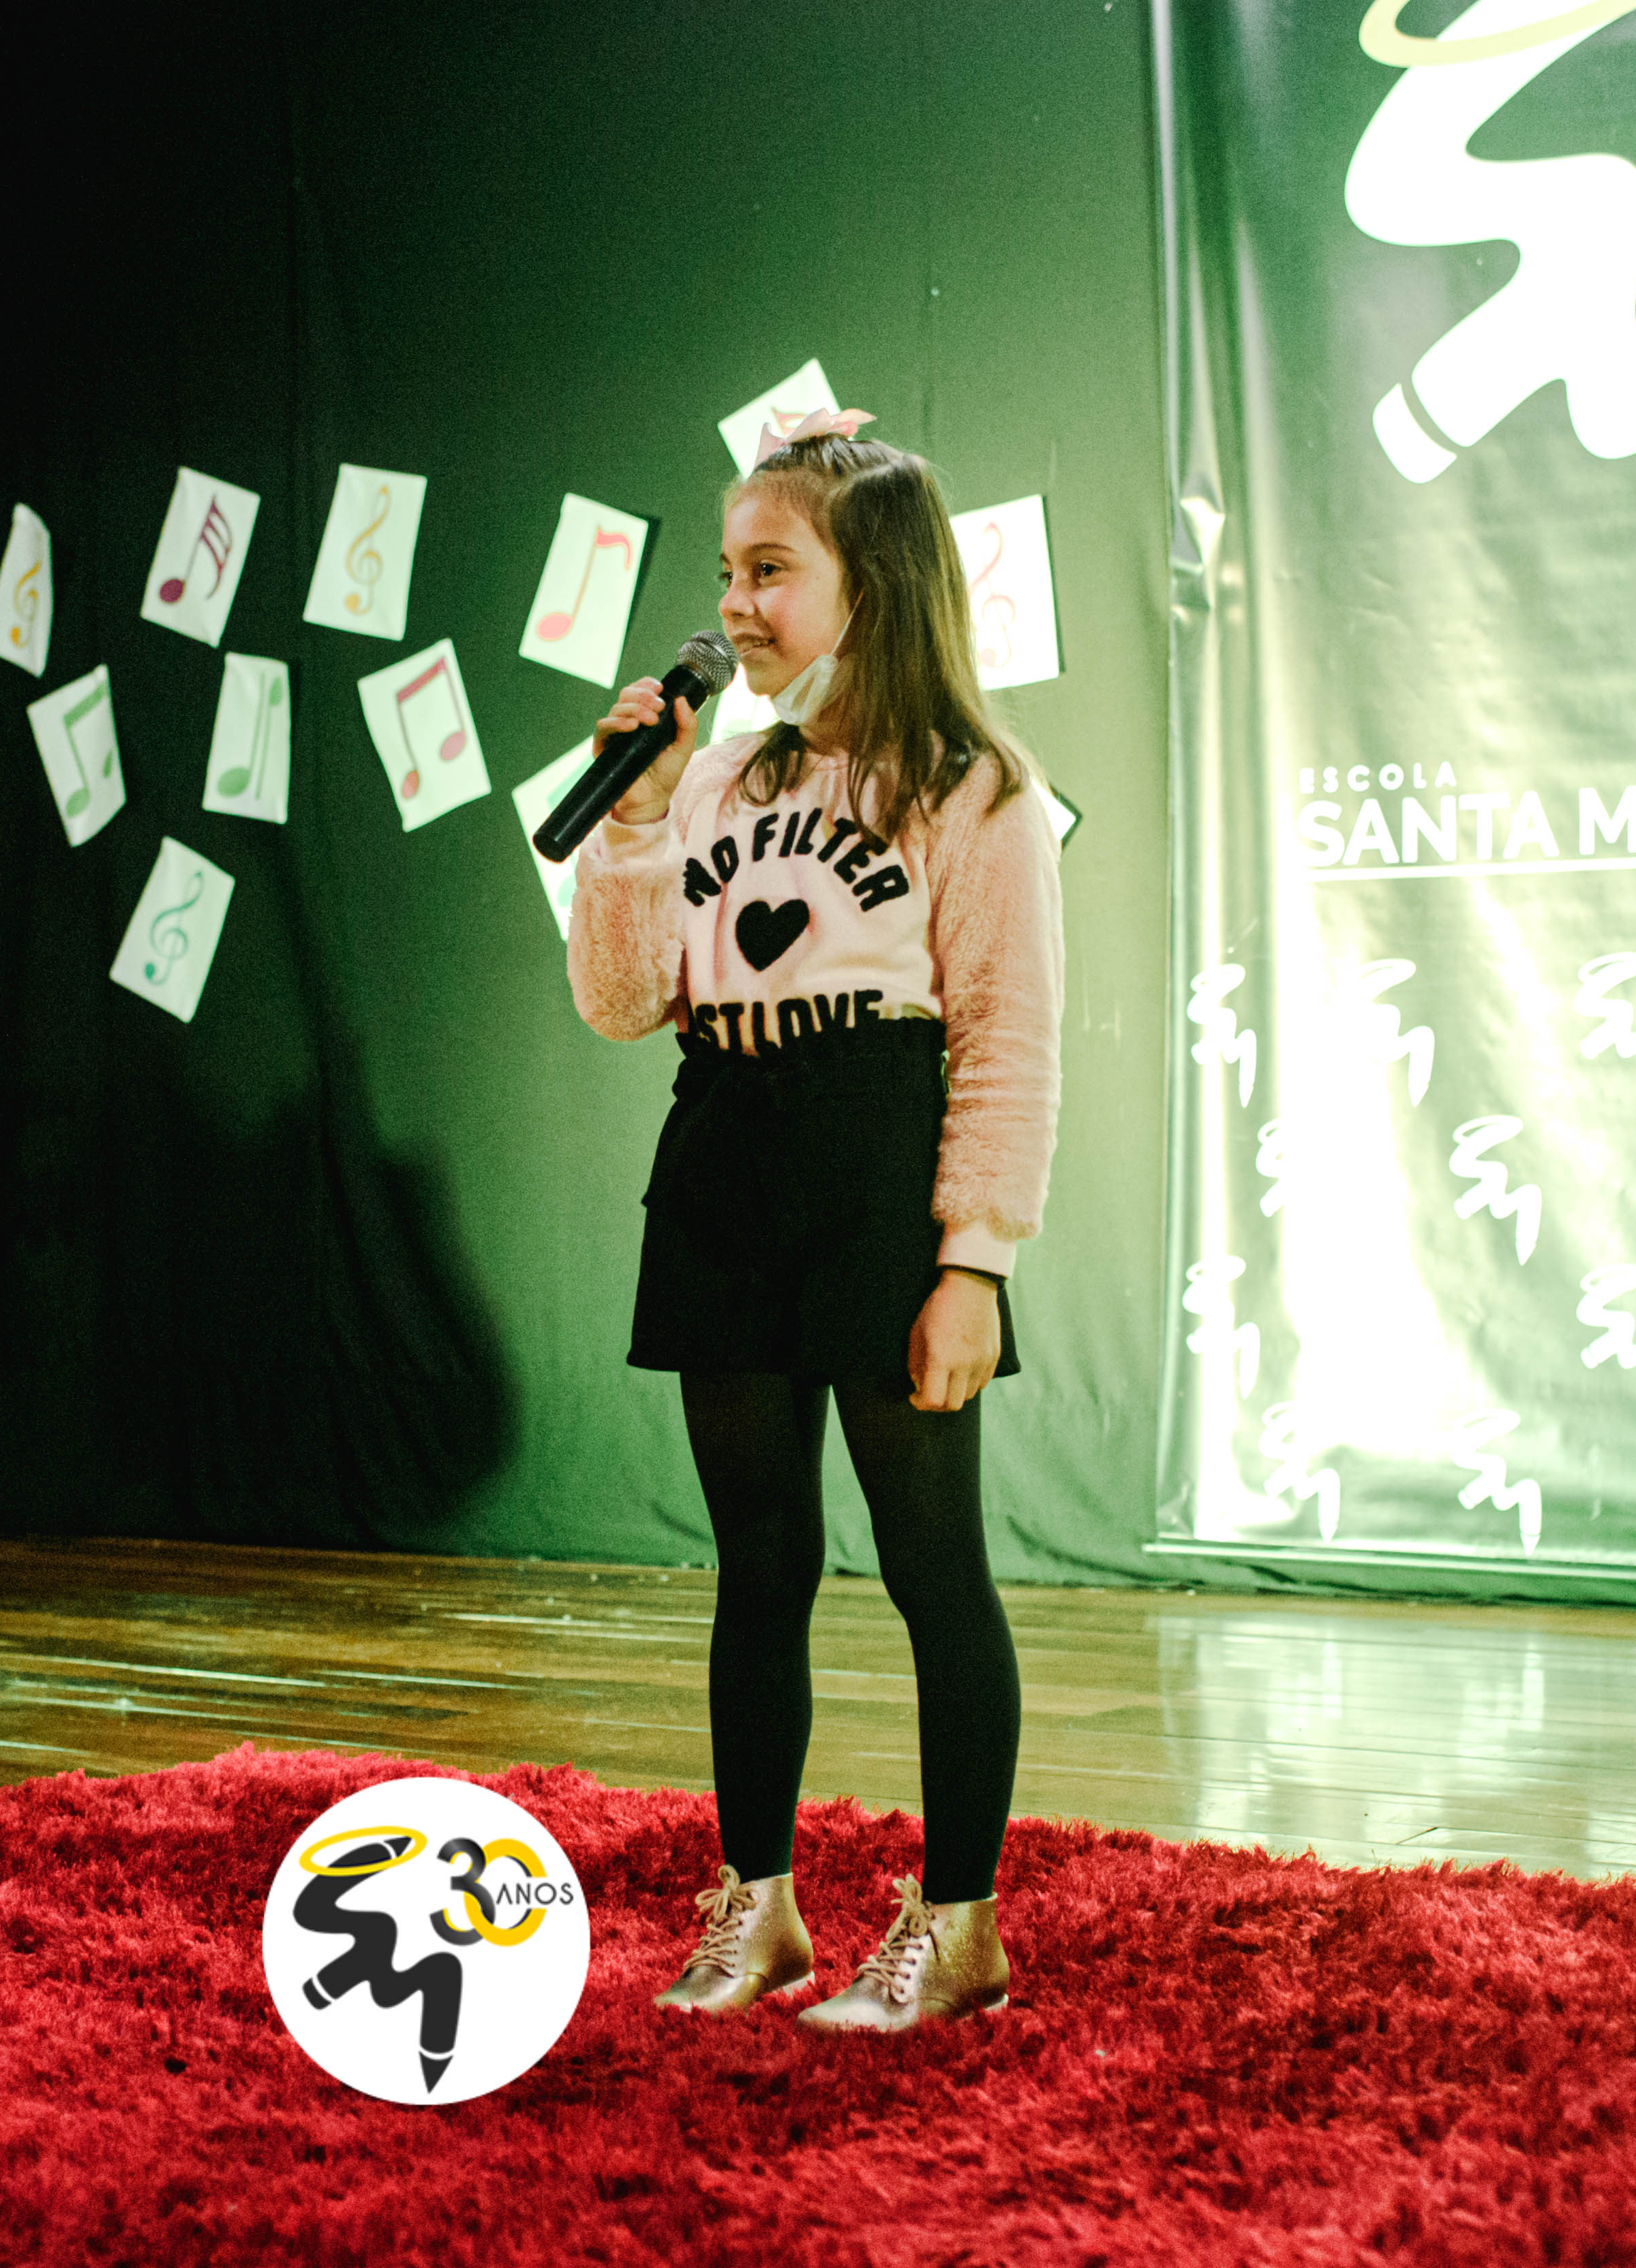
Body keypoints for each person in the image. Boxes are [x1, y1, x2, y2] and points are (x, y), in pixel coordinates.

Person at [565, 407, 1064, 2033]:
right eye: (729, 572)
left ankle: (960, 1922)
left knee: (933, 1566)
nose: (737, 604)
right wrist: (633, 820)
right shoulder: (712, 777)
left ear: (877, 582)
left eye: (771, 570)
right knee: (758, 1560)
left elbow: (1006, 1041)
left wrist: (973, 1259)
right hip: (725, 1155)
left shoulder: (973, 786)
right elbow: (623, 999)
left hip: (877, 1170)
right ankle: (759, 1903)